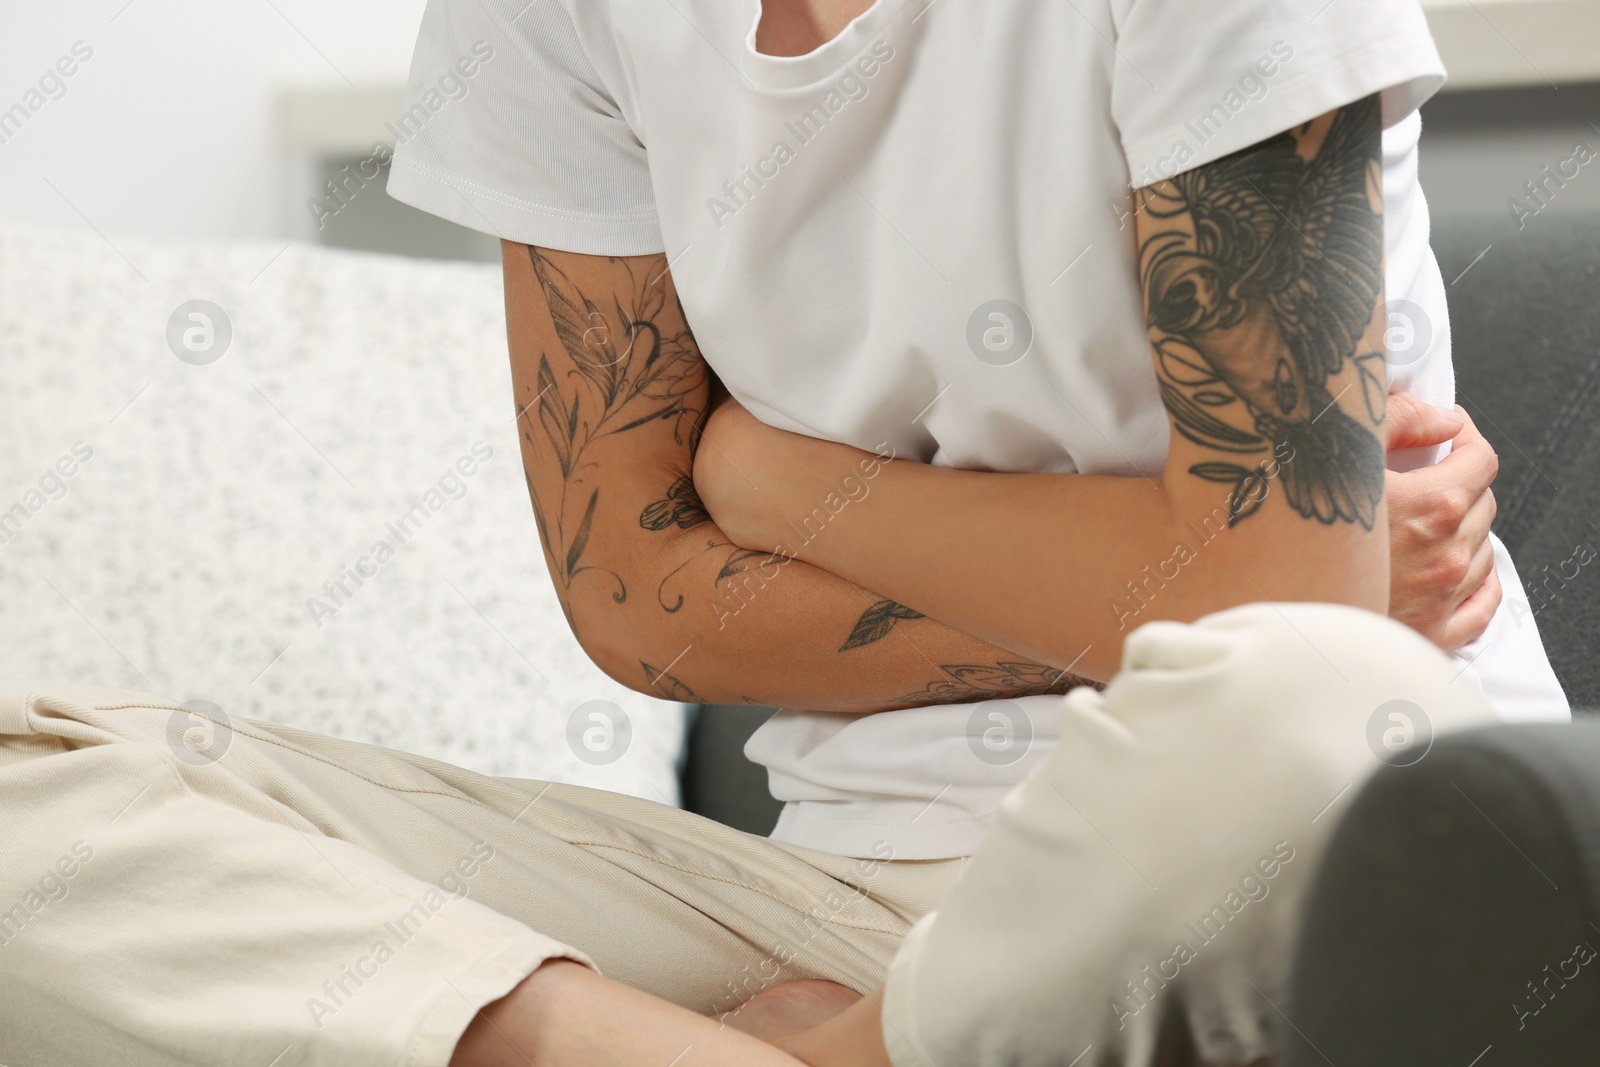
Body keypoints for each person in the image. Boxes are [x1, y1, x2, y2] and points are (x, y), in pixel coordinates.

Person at [0, 0, 1570, 1065]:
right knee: (33, 804)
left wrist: (777, 488)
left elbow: (1280, 608)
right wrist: (1195, 568)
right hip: (825, 905)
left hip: (1279, 867)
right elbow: (640, 598)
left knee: (1302, 700)